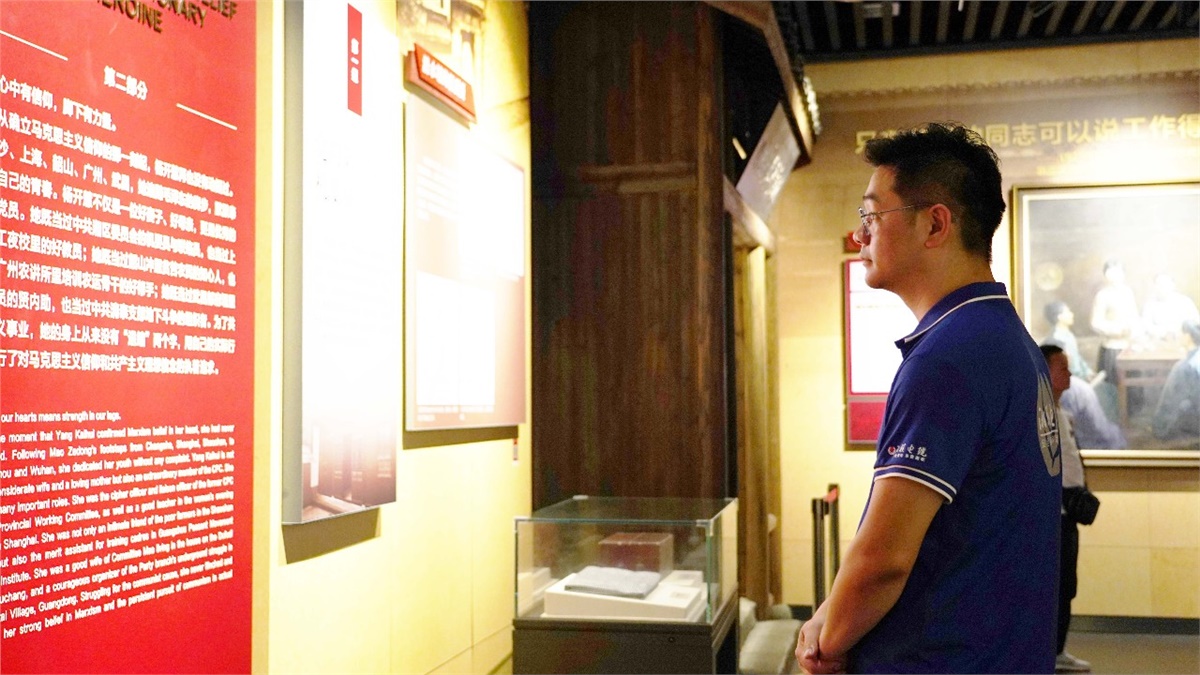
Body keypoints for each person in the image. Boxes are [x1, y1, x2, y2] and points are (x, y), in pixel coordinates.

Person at [796, 123, 1062, 674]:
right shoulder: (1005, 338)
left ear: (935, 224)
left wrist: (829, 641)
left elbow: (884, 561)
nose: (860, 235)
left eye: (872, 216)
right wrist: (833, 615)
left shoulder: (946, 359)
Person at [1041, 343, 1093, 673]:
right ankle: (1048, 652)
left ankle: (1057, 648)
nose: (1069, 373)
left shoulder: (1063, 414)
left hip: (1068, 513)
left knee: (1067, 585)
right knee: (1055, 586)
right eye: (1061, 367)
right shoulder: (1041, 416)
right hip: (1052, 516)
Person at [1089, 259, 1139, 381]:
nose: (1115, 276)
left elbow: (1134, 317)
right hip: (1112, 348)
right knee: (1113, 384)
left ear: (1123, 273)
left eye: (1118, 272)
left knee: (1132, 384)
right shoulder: (1102, 295)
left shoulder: (1128, 292)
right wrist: (1117, 330)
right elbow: (1095, 322)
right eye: (1111, 272)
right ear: (1106, 275)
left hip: (1129, 347)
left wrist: (1134, 332)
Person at [1152, 319, 1200, 441]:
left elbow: (1170, 400)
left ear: (1188, 337)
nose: (1178, 336)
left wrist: (1159, 426)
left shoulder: (1184, 366)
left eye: (1181, 333)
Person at [1044, 301, 1097, 382]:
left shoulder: (1068, 335)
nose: (1072, 314)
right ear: (1059, 317)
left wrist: (1088, 372)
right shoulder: (1056, 339)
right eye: (1068, 312)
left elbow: (1077, 357)